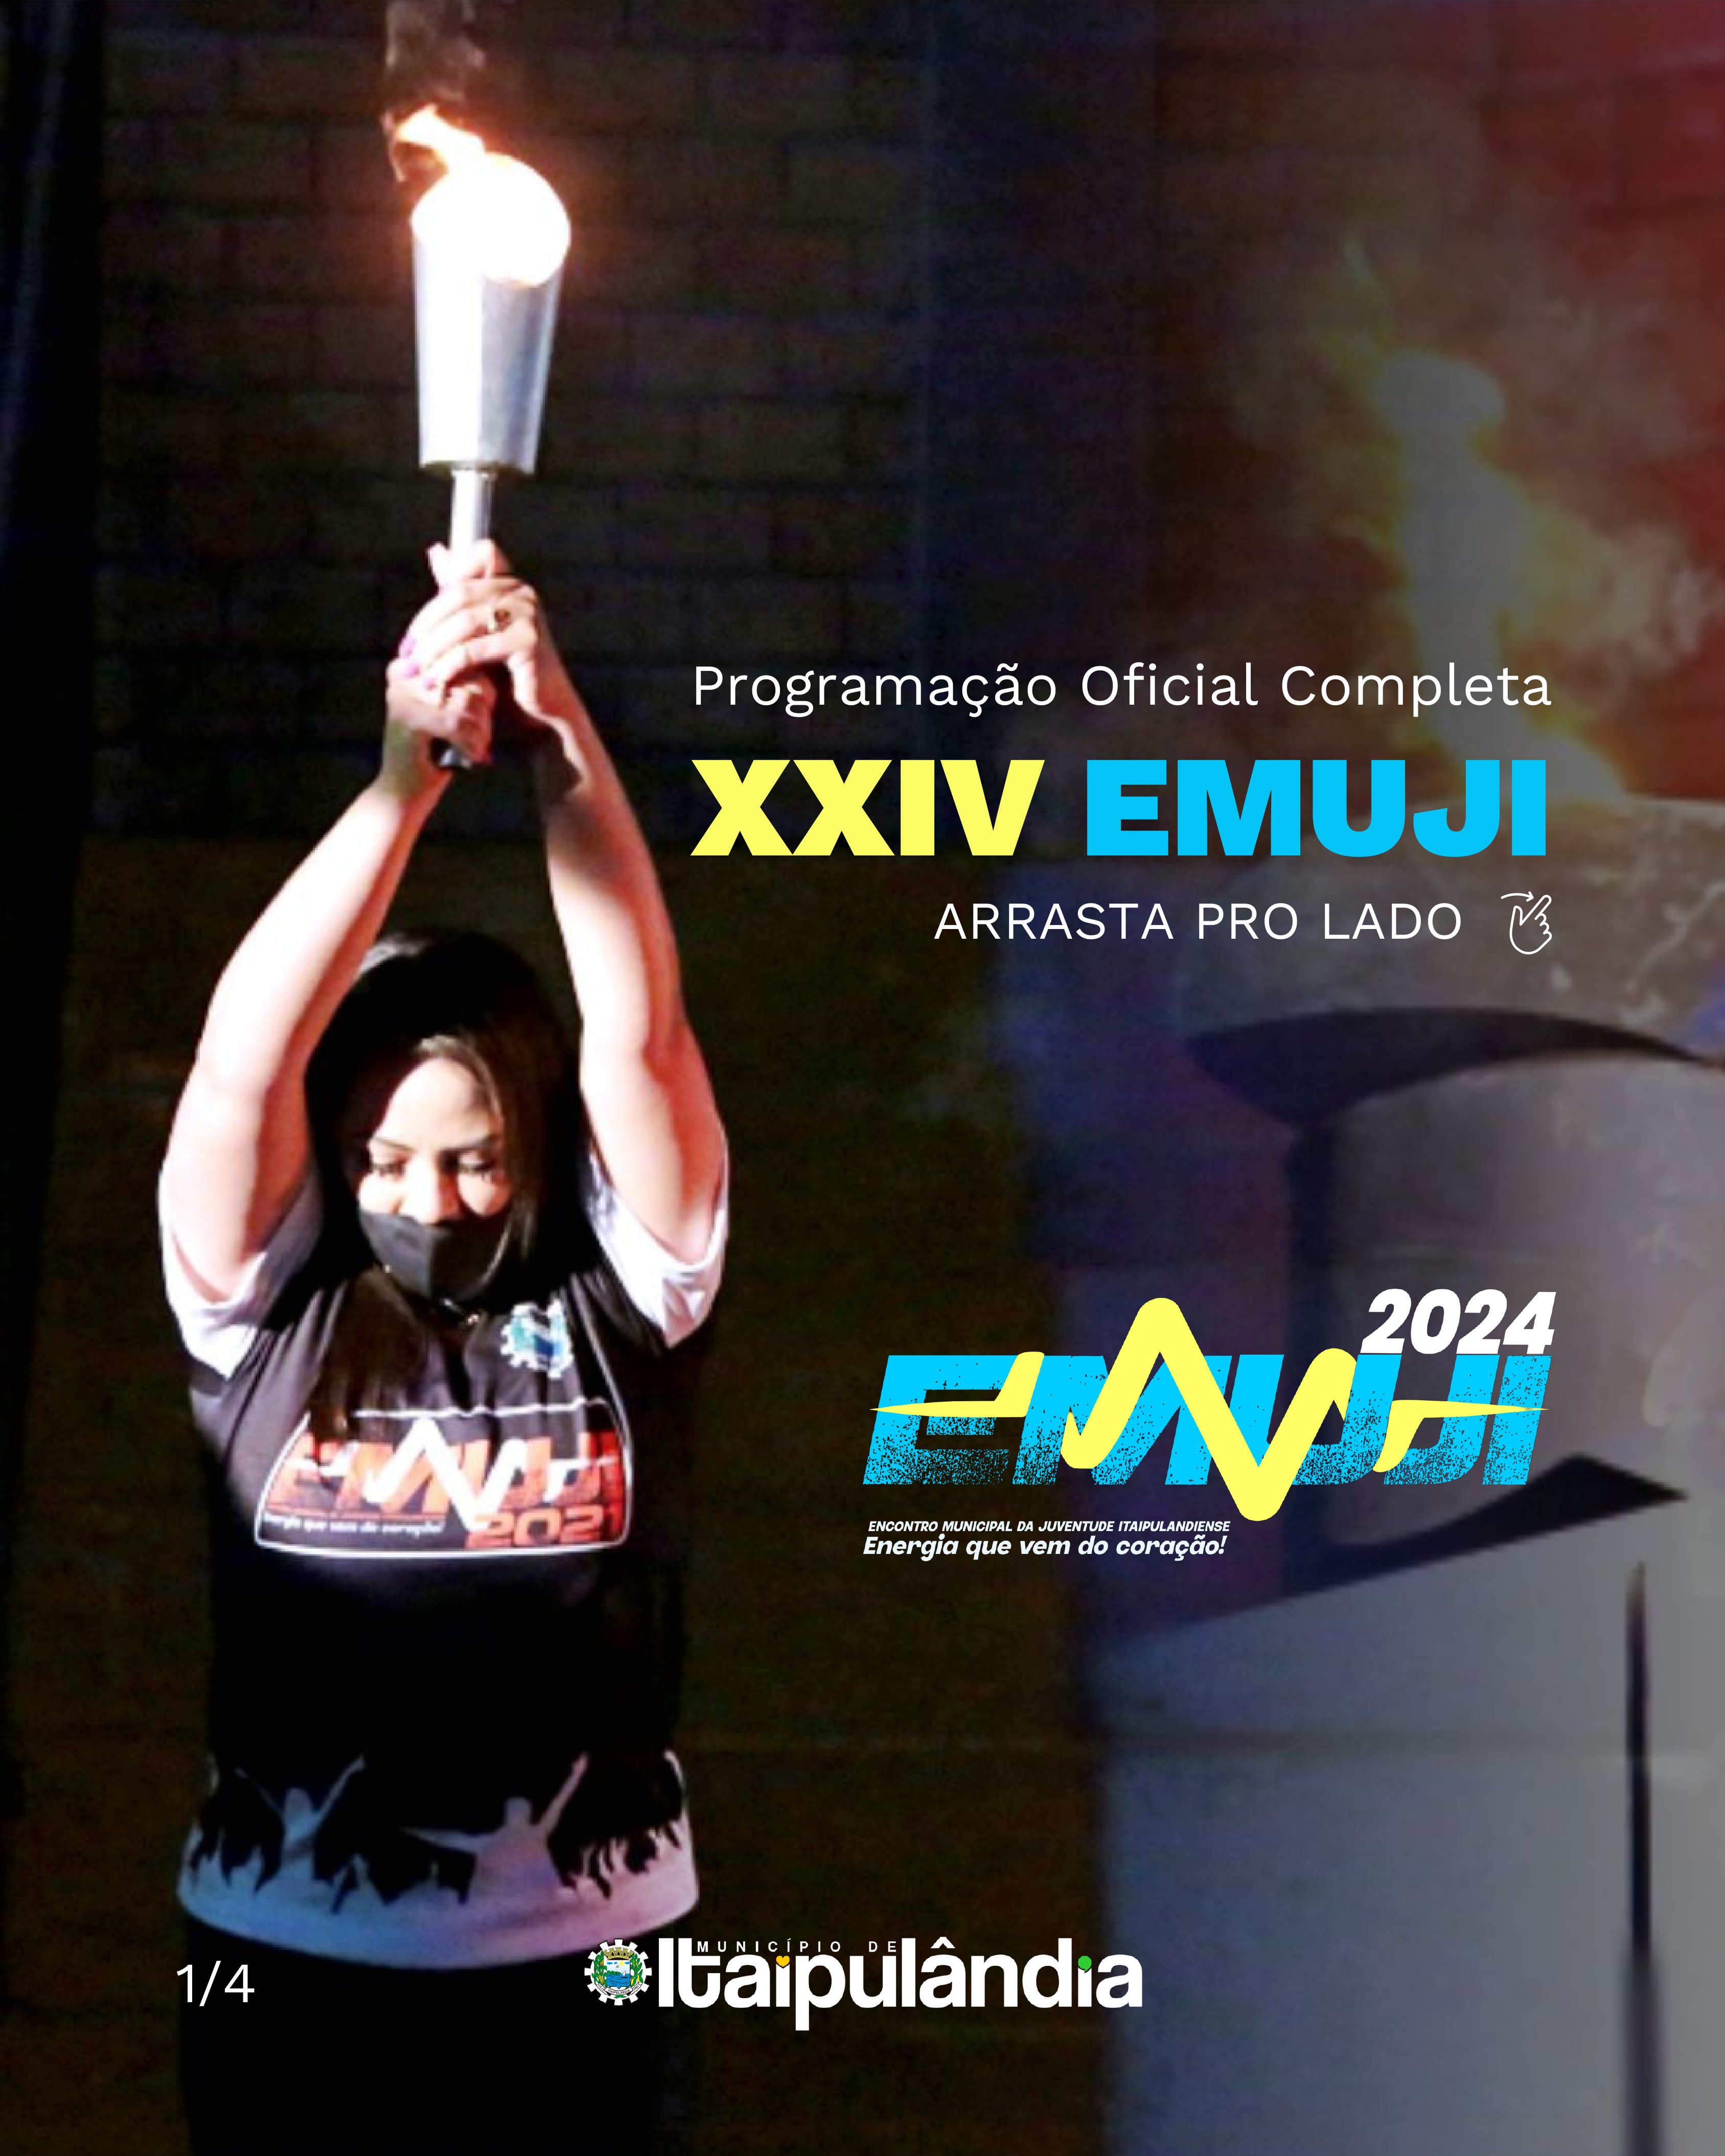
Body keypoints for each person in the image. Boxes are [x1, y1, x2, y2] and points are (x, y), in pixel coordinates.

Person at [160, 542, 726, 2155]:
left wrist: (559, 741)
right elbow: (240, 1057)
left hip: (600, 1961)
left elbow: (641, 1033)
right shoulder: (259, 1297)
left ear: (536, 1143)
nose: (429, 1197)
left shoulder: (631, 1283)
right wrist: (402, 786)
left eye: (475, 1159)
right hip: (276, 1958)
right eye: (385, 1160)